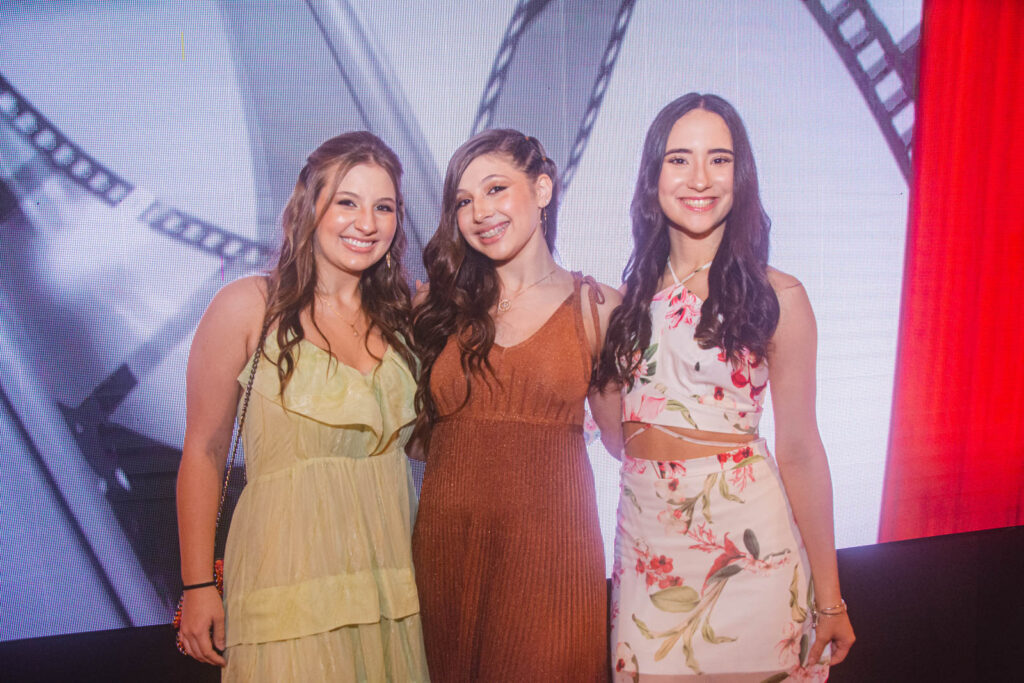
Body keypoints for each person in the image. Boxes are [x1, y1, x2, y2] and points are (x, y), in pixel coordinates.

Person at [595, 94, 855, 681]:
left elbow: (801, 452)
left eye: (720, 159)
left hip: (749, 554)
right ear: (652, 175)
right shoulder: (622, 304)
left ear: (742, 175)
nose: (700, 178)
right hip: (647, 552)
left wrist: (831, 598)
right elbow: (618, 441)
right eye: (679, 159)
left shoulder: (778, 297)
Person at [176, 132, 429, 681]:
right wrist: (198, 585)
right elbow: (204, 449)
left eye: (383, 207)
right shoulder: (248, 306)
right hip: (286, 584)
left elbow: (426, 441)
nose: (367, 222)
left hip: (390, 586)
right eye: (347, 201)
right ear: (308, 206)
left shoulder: (406, 319)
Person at [410, 129, 623, 681]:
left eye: (496, 189)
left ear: (544, 189)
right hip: (446, 554)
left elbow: (629, 444)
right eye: (463, 200)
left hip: (553, 559)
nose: (480, 211)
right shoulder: (435, 306)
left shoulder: (596, 308)